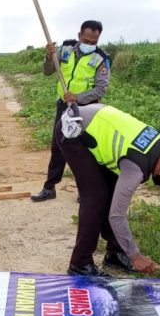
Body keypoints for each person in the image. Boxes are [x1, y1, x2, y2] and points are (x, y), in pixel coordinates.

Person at [58, 104, 160, 276]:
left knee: (113, 191)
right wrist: (135, 255)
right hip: (73, 130)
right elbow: (116, 215)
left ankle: (115, 253)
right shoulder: (136, 168)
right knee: (96, 198)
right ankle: (80, 263)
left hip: (94, 124)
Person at [31, 20, 110, 202]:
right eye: (87, 40)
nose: (90, 44)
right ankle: (49, 187)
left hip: (86, 109)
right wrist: (49, 57)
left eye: (94, 42)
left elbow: (101, 89)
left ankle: (86, 191)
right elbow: (48, 71)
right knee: (58, 146)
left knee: (85, 151)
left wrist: (77, 97)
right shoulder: (65, 49)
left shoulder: (101, 59)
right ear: (79, 36)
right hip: (63, 107)